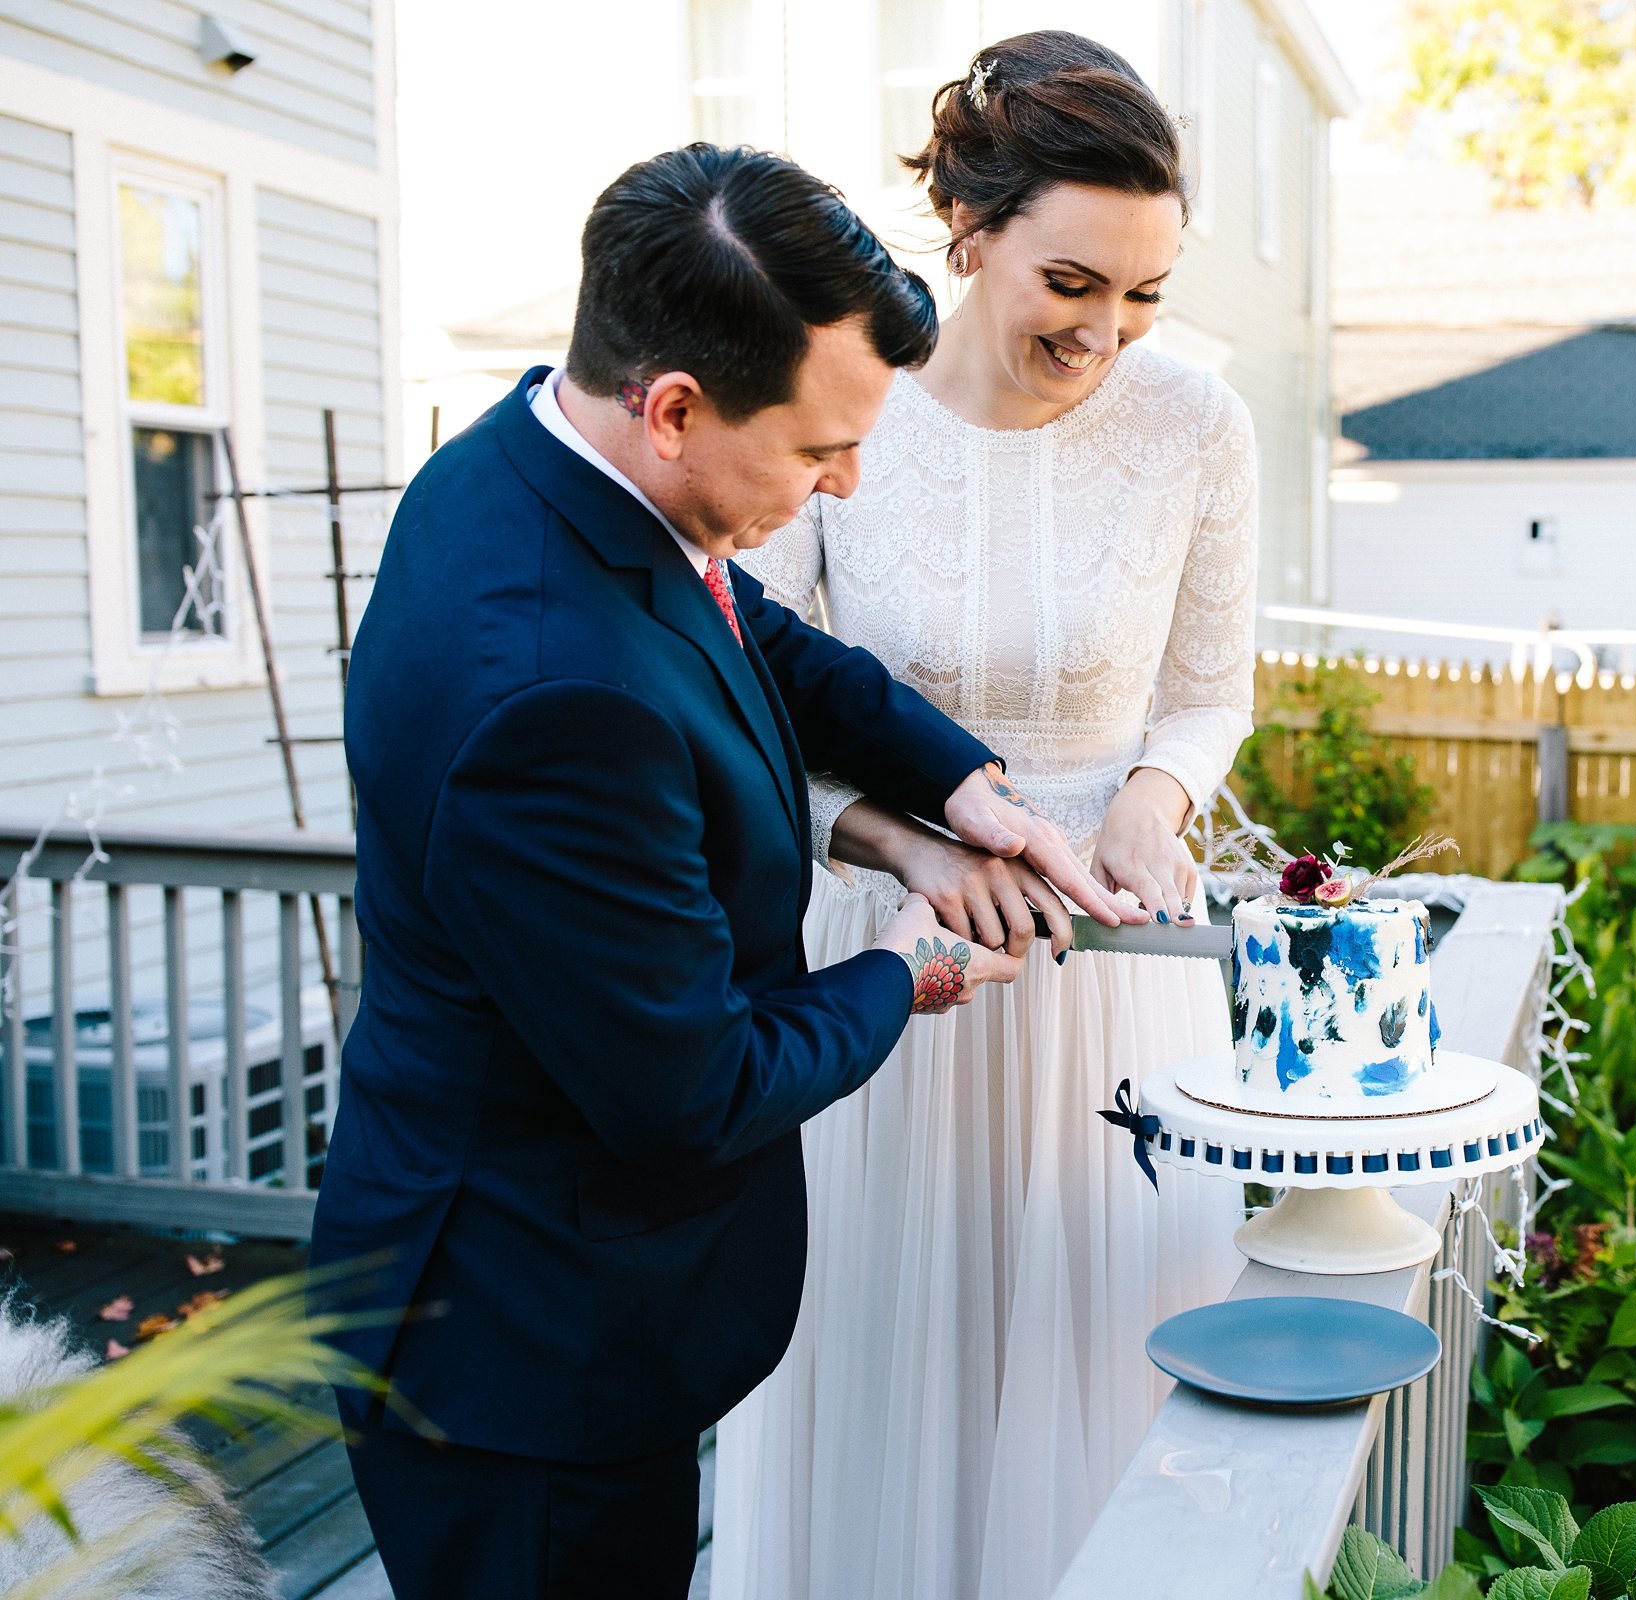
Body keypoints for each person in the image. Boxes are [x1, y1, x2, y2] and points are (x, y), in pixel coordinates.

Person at [310, 145, 1123, 1599]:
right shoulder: (555, 694)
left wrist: (962, 792)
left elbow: (760, 639)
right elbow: (697, 1090)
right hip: (521, 1355)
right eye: (819, 454)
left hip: (542, 1287)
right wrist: (910, 962)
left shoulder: (536, 466)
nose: (846, 484)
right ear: (673, 406)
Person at [711, 31, 1257, 1600]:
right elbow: (760, 710)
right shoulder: (845, 416)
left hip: (1109, 961)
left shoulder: (1197, 427)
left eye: (1146, 293)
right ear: (969, 239)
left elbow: (1209, 692)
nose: (1110, 329)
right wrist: (909, 846)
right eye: (1074, 283)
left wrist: (1155, 803)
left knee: (1104, 1333)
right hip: (892, 948)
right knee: (888, 1339)